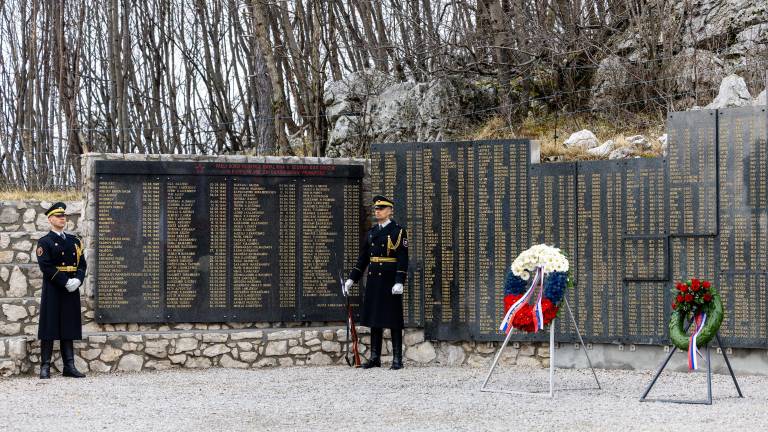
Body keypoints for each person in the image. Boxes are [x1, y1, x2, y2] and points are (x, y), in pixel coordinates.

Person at [344, 195, 408, 370]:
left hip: (389, 280)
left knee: (394, 319)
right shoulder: (372, 233)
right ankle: (375, 357)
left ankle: (397, 359)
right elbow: (363, 259)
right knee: (375, 319)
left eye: (381, 209)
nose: (377, 211)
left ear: (389, 211)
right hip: (373, 280)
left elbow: (403, 259)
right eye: (376, 209)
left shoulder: (398, 231)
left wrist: (399, 281)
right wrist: (352, 279)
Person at [36, 202, 87, 379]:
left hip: (72, 287)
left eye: (63, 216)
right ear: (50, 219)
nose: (62, 218)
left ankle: (69, 366)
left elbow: (82, 263)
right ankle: (45, 367)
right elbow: (46, 266)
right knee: (49, 325)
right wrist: (65, 281)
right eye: (58, 216)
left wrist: (78, 280)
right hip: (54, 287)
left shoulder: (74, 241)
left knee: (69, 325)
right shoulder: (45, 241)